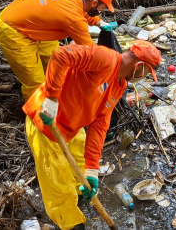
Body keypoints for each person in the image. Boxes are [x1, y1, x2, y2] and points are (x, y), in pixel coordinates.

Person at [22, 40, 162, 230]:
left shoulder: (119, 85)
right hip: (47, 121)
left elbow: (100, 123)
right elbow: (61, 55)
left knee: (81, 164)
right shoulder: (104, 58)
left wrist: (92, 171)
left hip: (73, 125)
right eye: (147, 73)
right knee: (58, 180)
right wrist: (52, 98)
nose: (144, 78)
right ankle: (71, 224)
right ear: (140, 66)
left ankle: (80, 195)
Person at [0, 0, 117, 100]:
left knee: (54, 64)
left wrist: (99, 22)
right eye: (103, 7)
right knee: (36, 83)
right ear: (94, 3)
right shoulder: (74, 20)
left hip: (31, 21)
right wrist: (115, 64)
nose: (102, 11)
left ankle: (56, 98)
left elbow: (81, 11)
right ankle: (39, 117)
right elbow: (92, 53)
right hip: (13, 29)